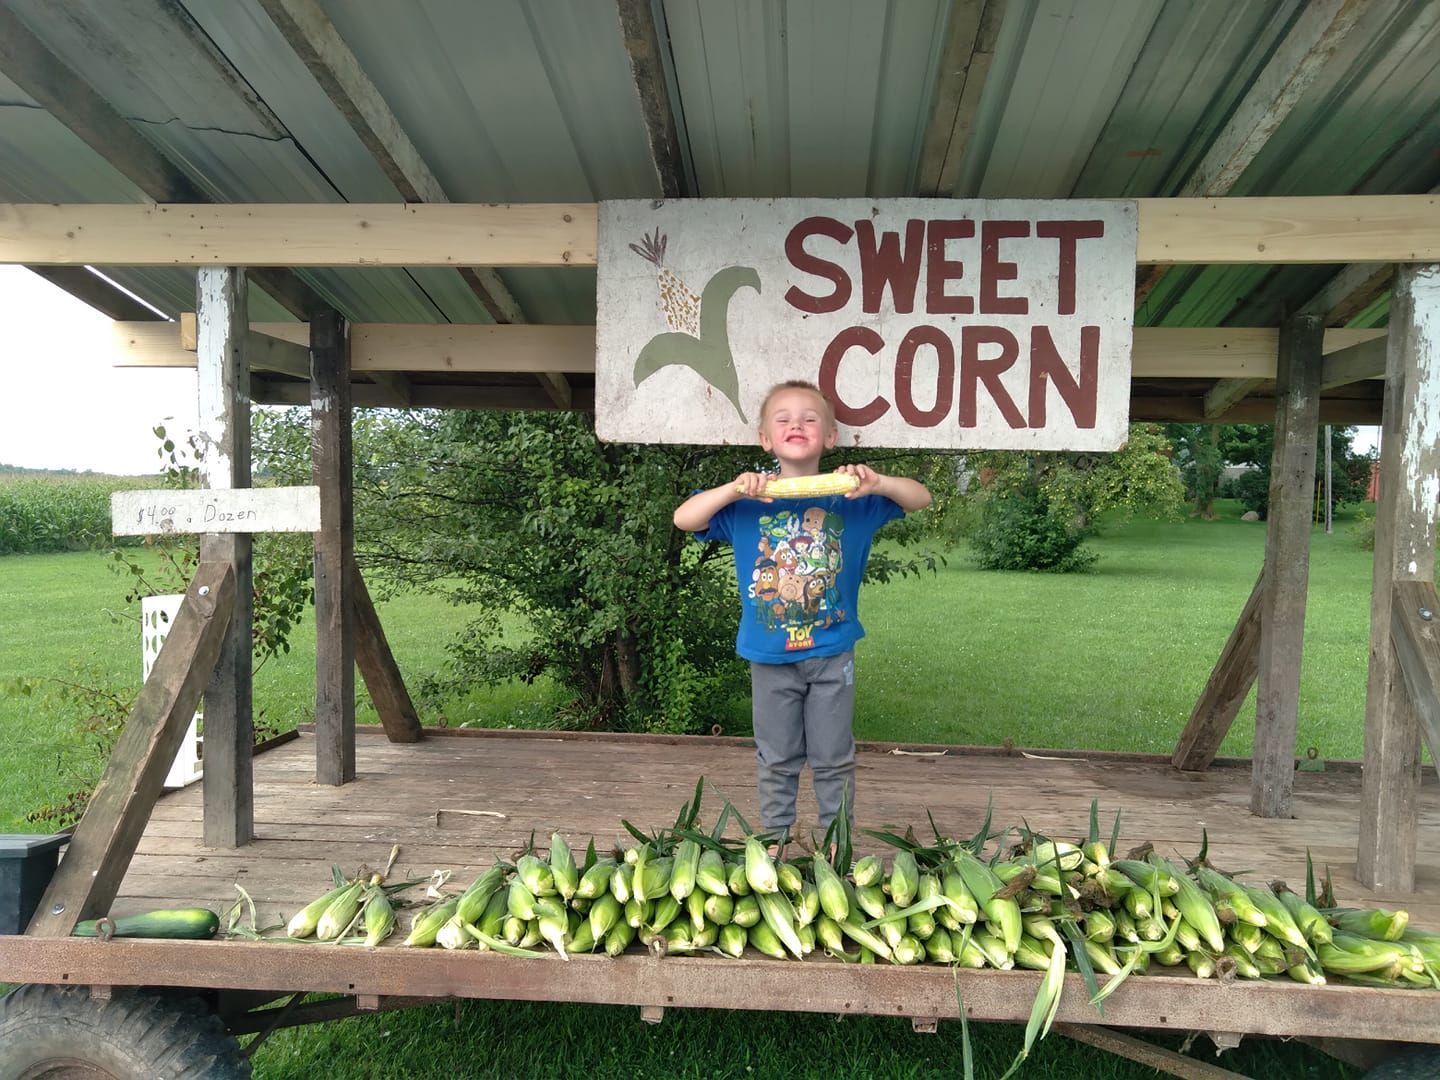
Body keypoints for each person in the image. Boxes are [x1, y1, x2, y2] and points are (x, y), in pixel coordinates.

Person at [673, 380, 932, 846]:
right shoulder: (746, 503)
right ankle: (773, 846)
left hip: (833, 653)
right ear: (765, 439)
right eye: (784, 419)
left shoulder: (852, 500)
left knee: (834, 757)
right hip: (769, 657)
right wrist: (734, 489)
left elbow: (920, 498)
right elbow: (685, 518)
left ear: (830, 437)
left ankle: (837, 848)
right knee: (776, 757)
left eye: (810, 419)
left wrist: (879, 482)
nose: (797, 424)